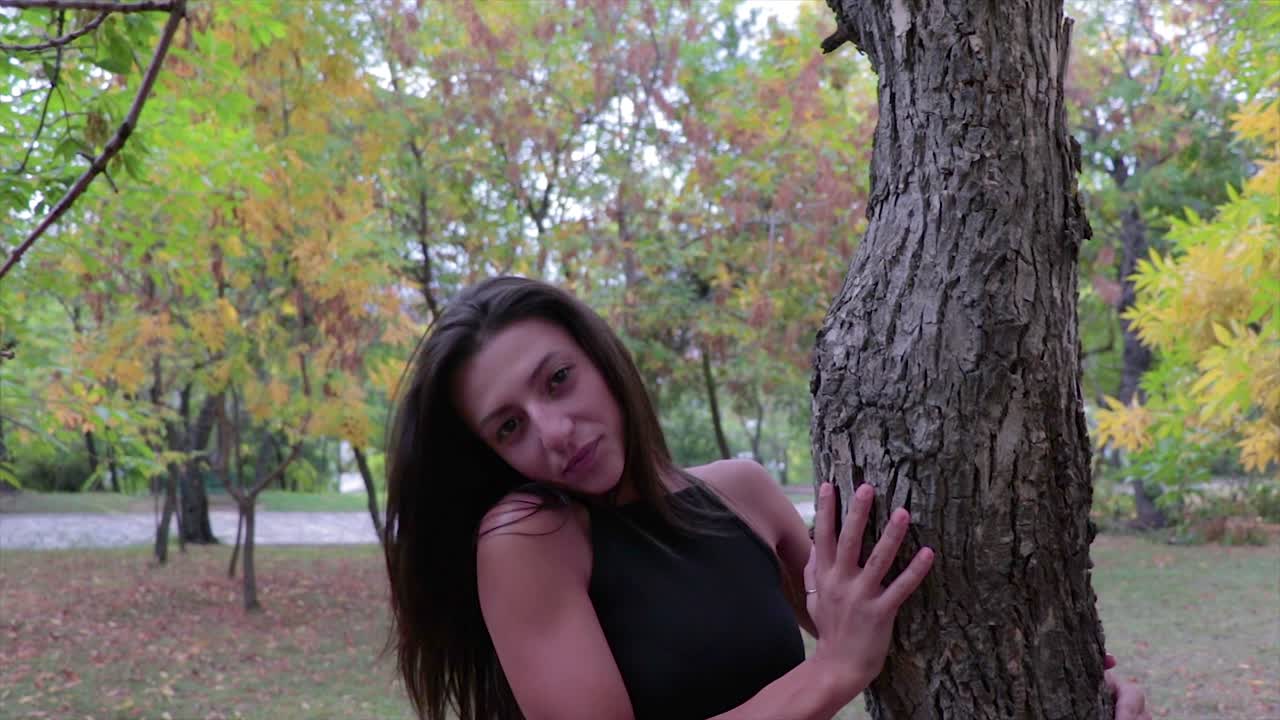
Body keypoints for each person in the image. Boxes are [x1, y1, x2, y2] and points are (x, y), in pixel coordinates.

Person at [382, 276, 1151, 720]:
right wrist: (832, 672)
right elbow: (848, 655)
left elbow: (904, 631)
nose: (553, 432)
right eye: (510, 426)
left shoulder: (741, 492)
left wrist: (1077, 678)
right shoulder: (528, 540)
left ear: (602, 360)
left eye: (558, 380)